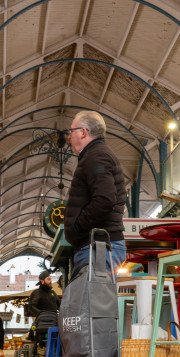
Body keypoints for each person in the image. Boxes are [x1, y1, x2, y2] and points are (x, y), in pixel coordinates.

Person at [64, 111, 127, 278]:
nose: (69, 137)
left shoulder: (96, 156)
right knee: (92, 302)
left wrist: (78, 227)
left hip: (99, 248)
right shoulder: (96, 155)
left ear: (83, 132)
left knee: (93, 303)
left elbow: (105, 199)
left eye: (71, 131)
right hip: (98, 247)